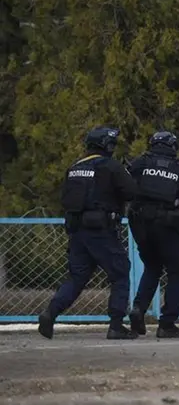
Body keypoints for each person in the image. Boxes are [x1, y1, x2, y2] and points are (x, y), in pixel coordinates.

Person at [39, 127, 138, 340]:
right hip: (101, 230)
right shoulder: (111, 167)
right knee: (120, 273)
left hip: (77, 231)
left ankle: (50, 313)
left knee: (77, 278)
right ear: (106, 145)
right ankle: (116, 325)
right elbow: (131, 192)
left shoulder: (74, 167)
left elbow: (66, 198)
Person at [127, 131, 179, 338]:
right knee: (175, 271)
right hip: (165, 224)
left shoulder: (139, 163)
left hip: (140, 224)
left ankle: (138, 309)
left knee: (152, 267)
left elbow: (127, 186)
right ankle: (167, 323)